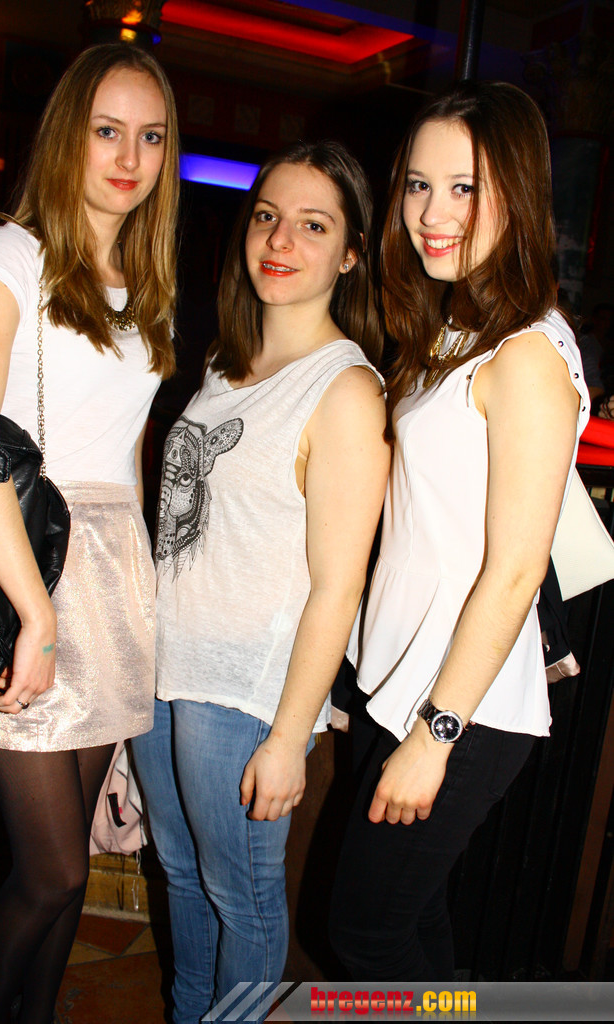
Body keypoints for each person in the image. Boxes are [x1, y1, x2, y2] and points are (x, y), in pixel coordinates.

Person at [0, 43, 179, 1023]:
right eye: (107, 131)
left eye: (150, 137)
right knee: (46, 872)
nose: (129, 157)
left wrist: (139, 596)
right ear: (67, 133)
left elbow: (126, 453)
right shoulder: (14, 256)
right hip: (26, 568)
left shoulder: (140, 279)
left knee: (69, 868)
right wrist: (36, 615)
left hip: (112, 582)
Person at [329, 81, 589, 982]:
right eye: (418, 185)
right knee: (411, 924)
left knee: (365, 933)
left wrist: (436, 734)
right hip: (404, 676)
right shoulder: (459, 331)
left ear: (517, 193)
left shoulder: (527, 353)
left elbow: (516, 570)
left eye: (464, 188)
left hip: (461, 704)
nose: (432, 215)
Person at [133, 140, 389, 1022]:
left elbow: (338, 586)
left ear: (351, 254)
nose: (281, 240)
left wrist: (288, 737)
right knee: (178, 873)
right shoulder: (224, 363)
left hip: (244, 694)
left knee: (239, 897)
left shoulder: (346, 390)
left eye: (314, 225)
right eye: (269, 216)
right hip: (165, 669)